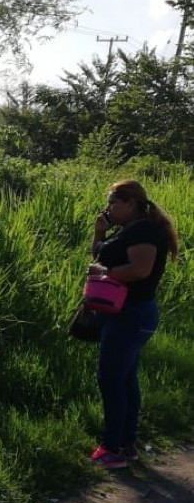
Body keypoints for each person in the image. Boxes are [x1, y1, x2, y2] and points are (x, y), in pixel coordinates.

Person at [87, 179, 179, 470]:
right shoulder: (128, 229)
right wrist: (99, 232)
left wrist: (107, 274)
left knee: (110, 377)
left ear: (131, 204)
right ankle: (126, 445)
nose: (109, 208)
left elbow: (140, 270)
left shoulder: (144, 230)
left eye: (114, 202)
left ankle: (113, 448)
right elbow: (99, 254)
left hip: (132, 314)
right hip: (122, 313)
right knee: (124, 377)